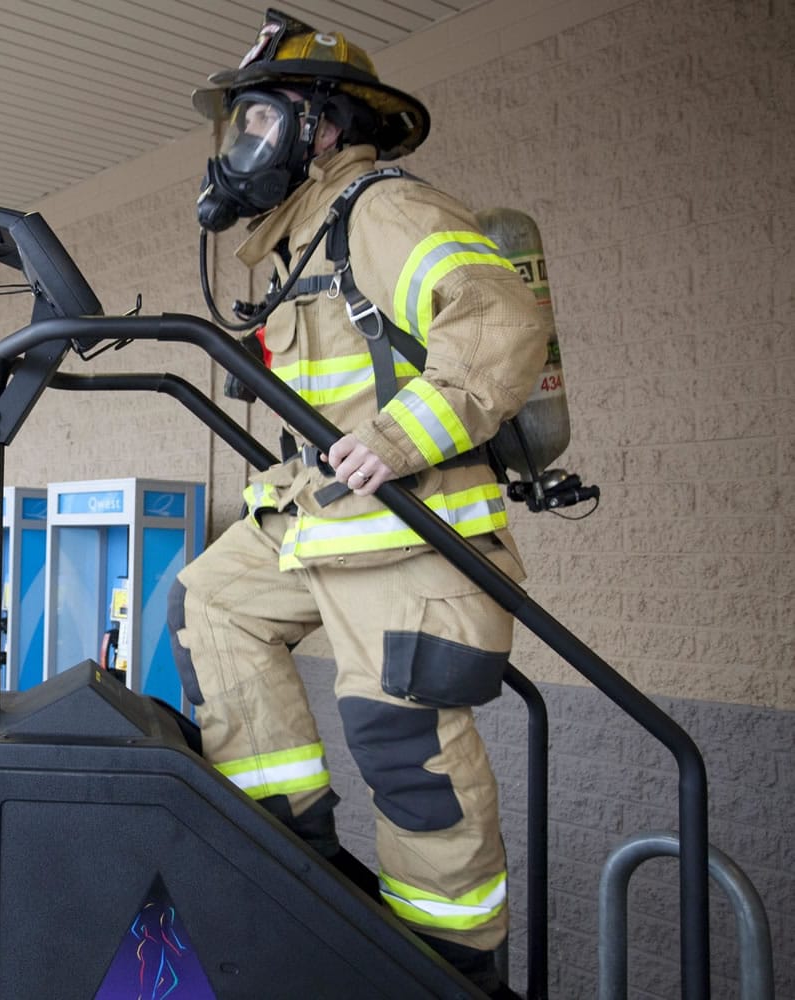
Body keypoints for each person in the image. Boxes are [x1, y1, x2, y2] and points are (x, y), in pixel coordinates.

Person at [170, 13, 549, 999]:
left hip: (411, 544)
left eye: (253, 121)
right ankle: (287, 849)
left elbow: (500, 321)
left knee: (407, 757)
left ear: (322, 126)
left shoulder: (381, 209)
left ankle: (452, 971)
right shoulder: (299, 245)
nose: (238, 148)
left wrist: (392, 440)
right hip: (331, 526)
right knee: (212, 599)